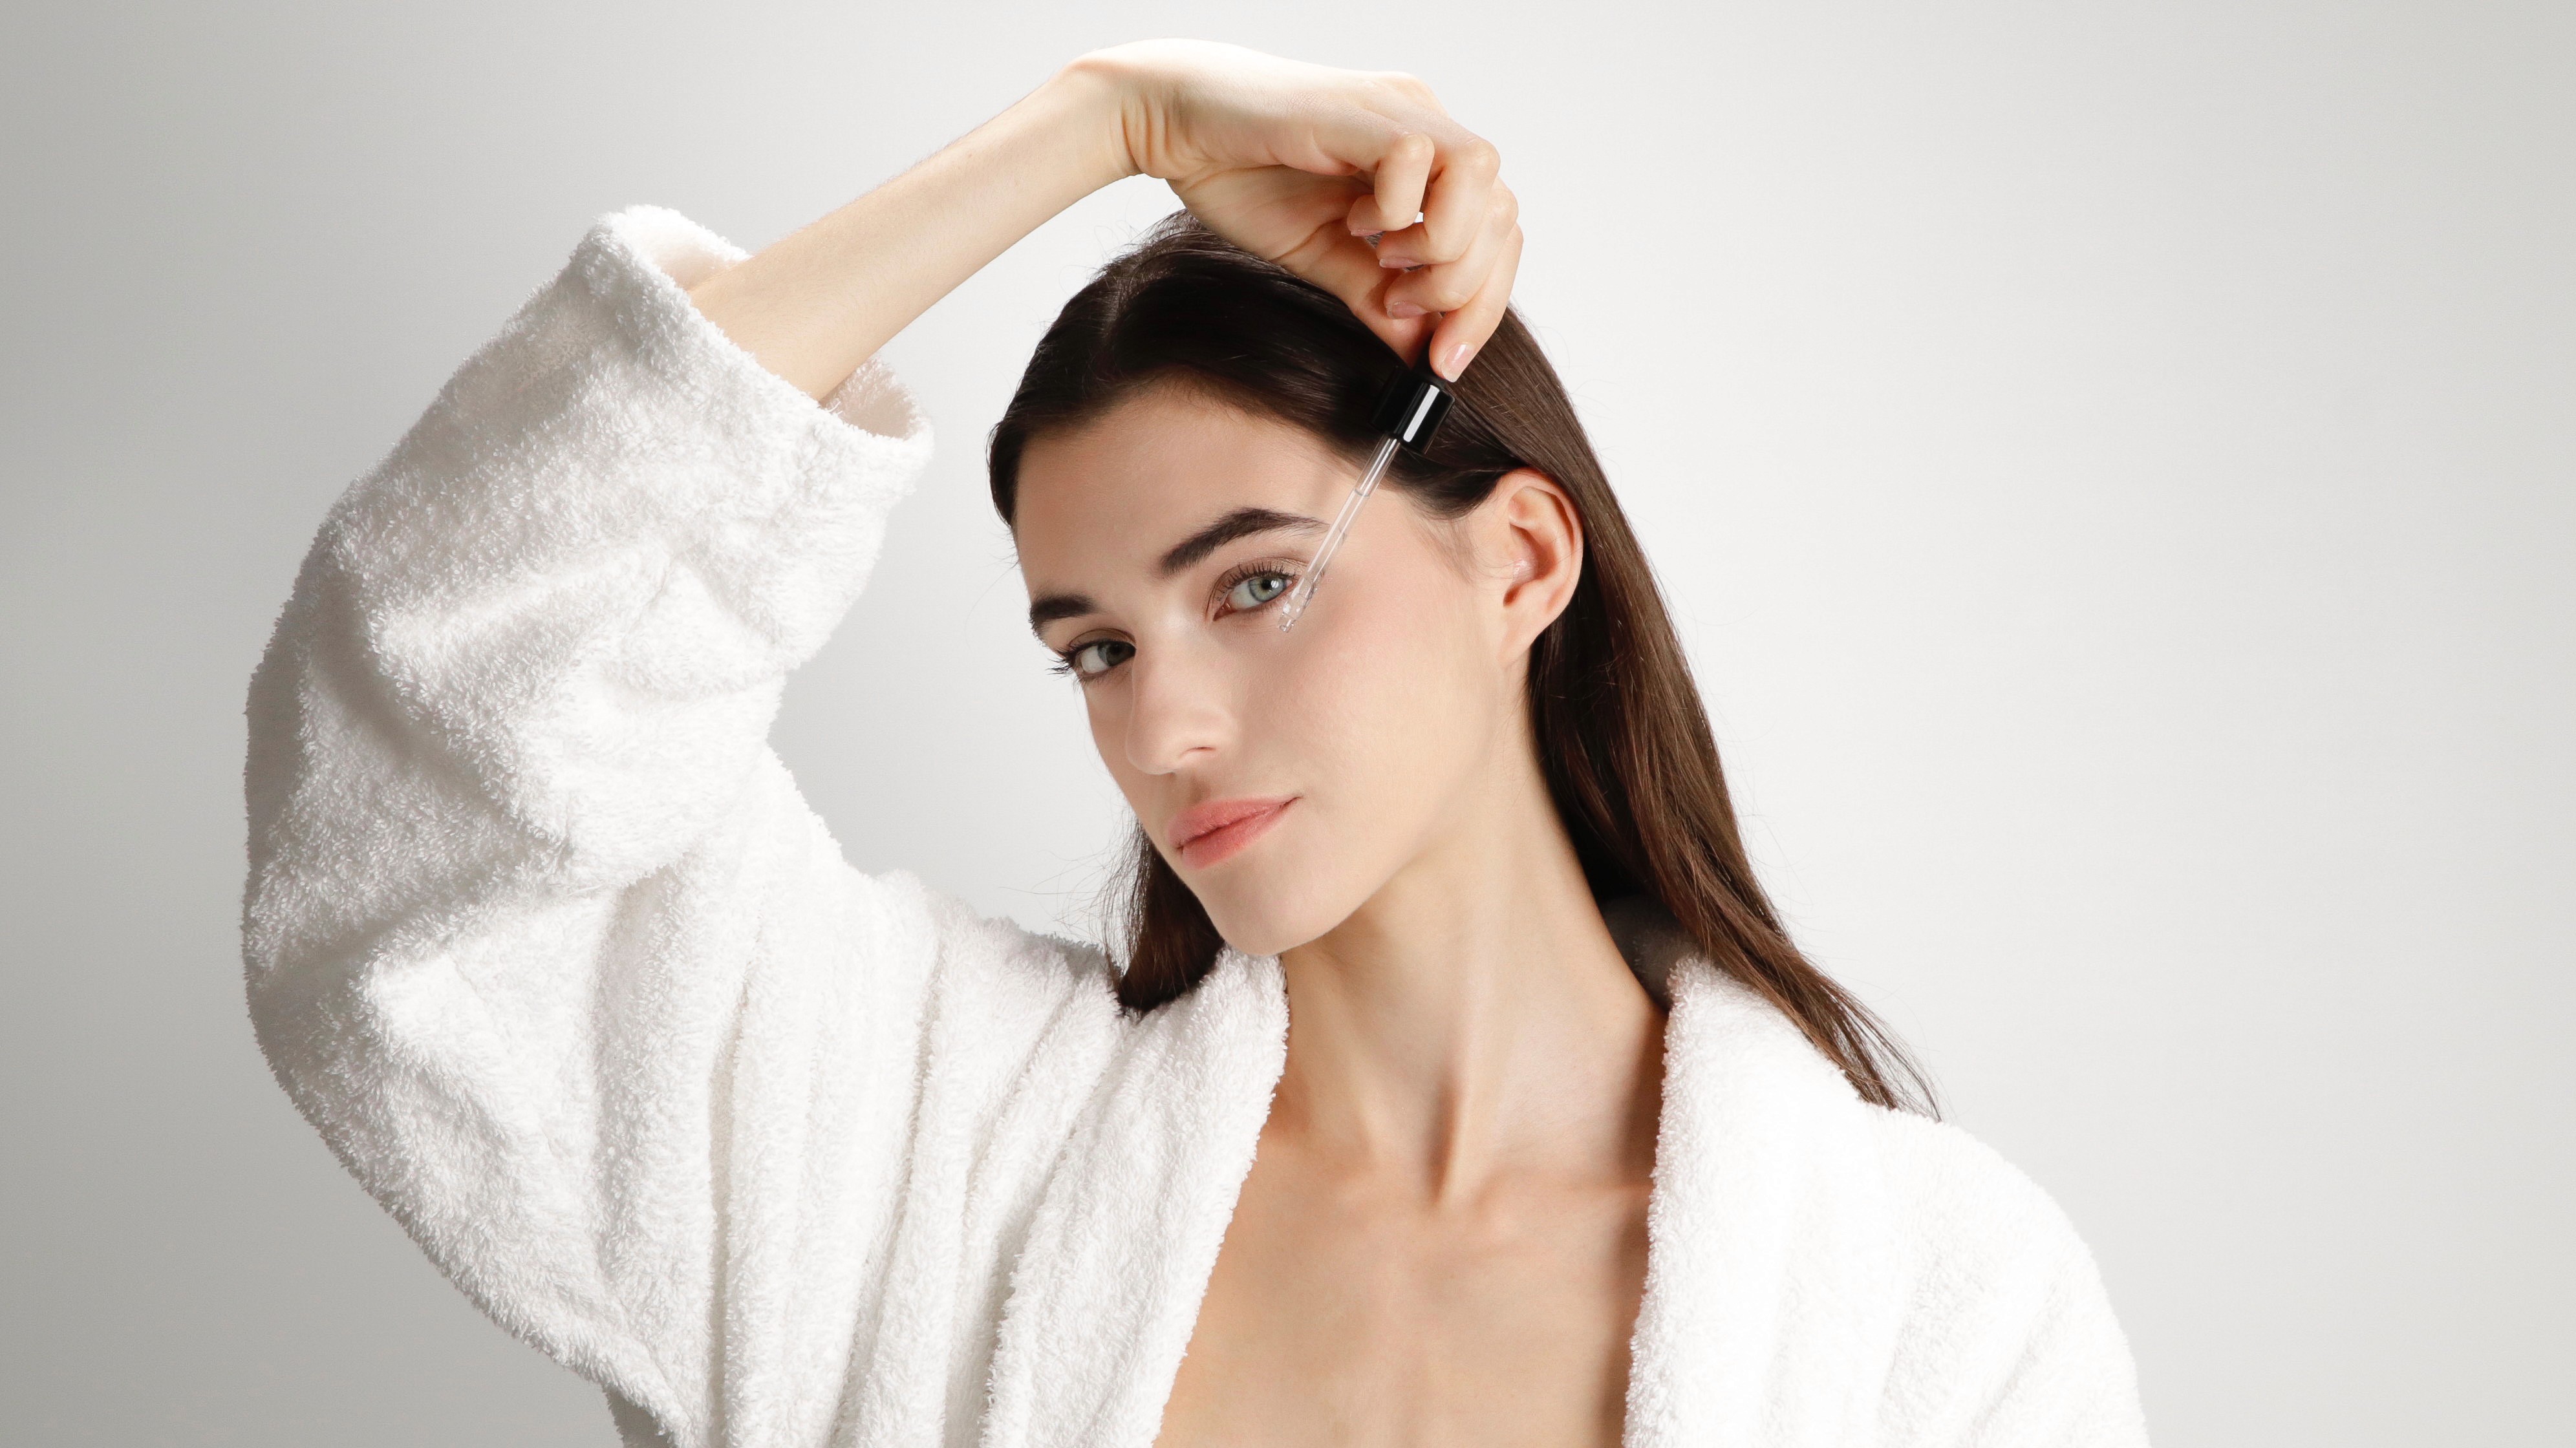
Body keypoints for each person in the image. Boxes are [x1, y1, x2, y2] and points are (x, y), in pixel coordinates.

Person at [242, 39, 2151, 1448]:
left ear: (1519, 561)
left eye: (1250, 587)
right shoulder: (921, 1147)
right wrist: (1102, 128)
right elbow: (436, 754)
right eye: (1090, 647)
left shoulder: (1928, 1304)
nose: (1164, 724)